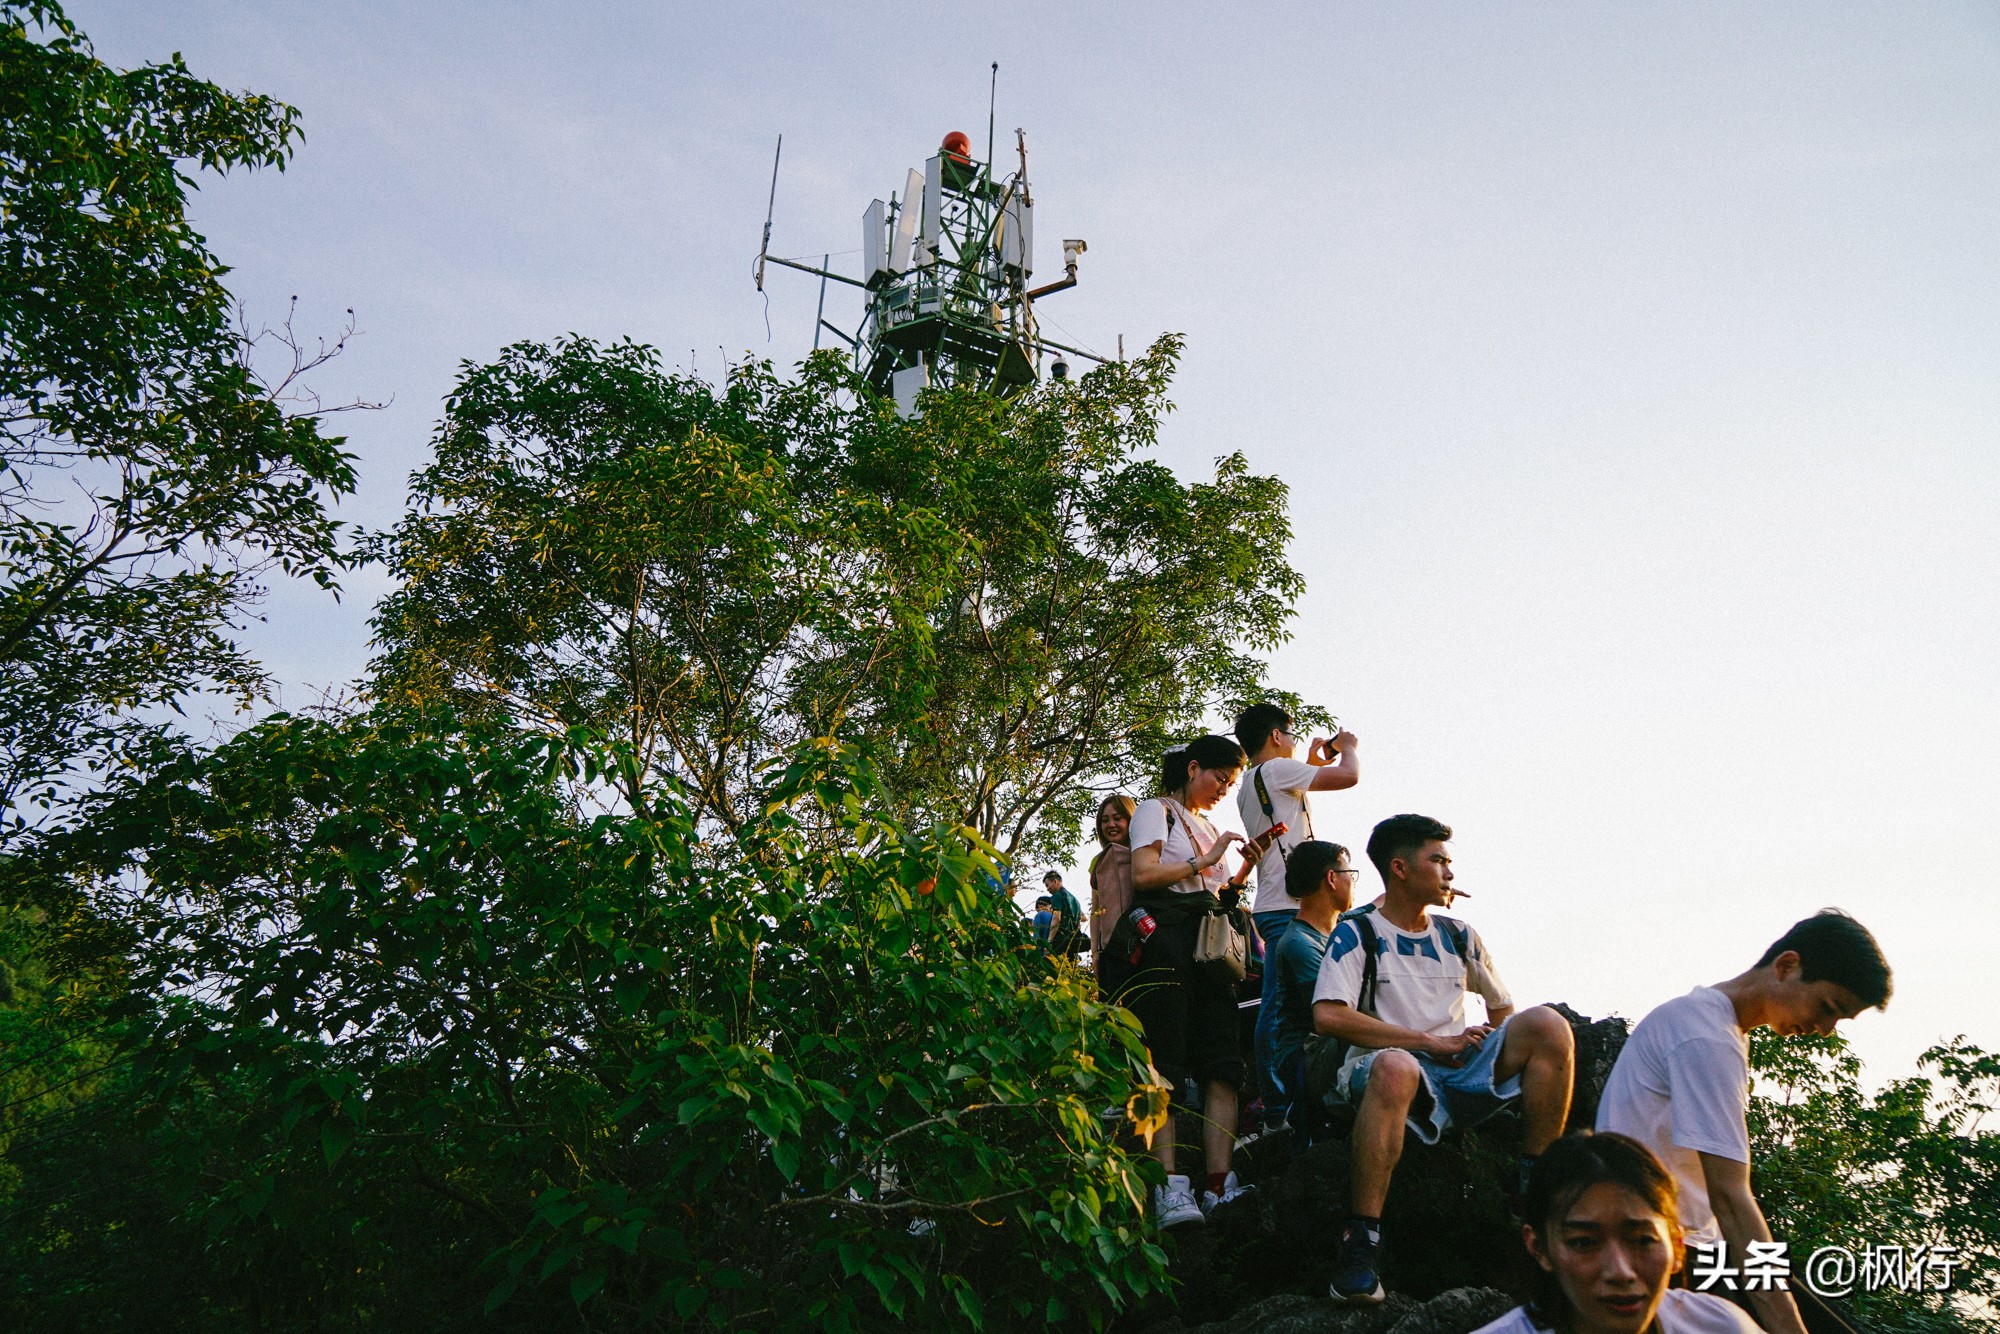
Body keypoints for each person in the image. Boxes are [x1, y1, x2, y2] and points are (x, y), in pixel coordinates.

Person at [1313, 813, 1577, 1305]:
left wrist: (1481, 1041)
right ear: (1400, 868)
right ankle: (1361, 1243)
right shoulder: (1357, 932)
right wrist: (1429, 1043)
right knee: (1397, 1066)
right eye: (1438, 860)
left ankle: (1536, 1192)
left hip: (1455, 1069)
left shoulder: (1458, 934)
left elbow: (1501, 1008)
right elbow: (1328, 1016)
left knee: (1548, 1025)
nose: (1449, 872)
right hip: (1384, 1069)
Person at [1596, 910, 1890, 1334]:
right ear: (1787, 966)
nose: (1826, 1029)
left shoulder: (1710, 1024)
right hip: (1665, 1254)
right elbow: (1731, 1196)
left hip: (1693, 1247)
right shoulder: (1706, 1037)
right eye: (1829, 1007)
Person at [1124, 734, 1265, 1226]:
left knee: (1222, 1062)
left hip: (1211, 948)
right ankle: (1169, 1187)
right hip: (1170, 942)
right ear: (1193, 768)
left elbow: (1217, 891)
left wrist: (1244, 866)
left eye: (1231, 783)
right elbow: (1144, 874)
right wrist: (1206, 859)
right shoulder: (1154, 810)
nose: (1224, 789)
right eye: (1219, 778)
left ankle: (1217, 1184)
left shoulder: (1207, 825)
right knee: (1162, 1058)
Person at [1471, 1130, 1758, 1334]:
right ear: (1539, 1248)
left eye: (1643, 1240)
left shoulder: (1720, 1326)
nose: (1620, 1272)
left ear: (1677, 1246)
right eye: (1584, 1243)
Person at [1232, 703, 1361, 1100]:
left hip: (1271, 901)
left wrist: (1309, 761)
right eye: (1290, 735)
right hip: (1292, 904)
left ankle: (1278, 1096)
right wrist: (1350, 746)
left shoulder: (1251, 783)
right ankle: (1277, 1100)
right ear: (1275, 736)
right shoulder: (1277, 771)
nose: (1293, 742)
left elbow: (1292, 798)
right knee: (1281, 1006)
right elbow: (1348, 777)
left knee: (1279, 1003)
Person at [1262, 839, 1358, 1143]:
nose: (1352, 882)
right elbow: (1332, 1017)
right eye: (1349, 874)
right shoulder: (1299, 944)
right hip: (1306, 1056)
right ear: (1331, 879)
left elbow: (1379, 906)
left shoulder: (1340, 927)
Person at [1087, 795, 1138, 992]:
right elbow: (1096, 910)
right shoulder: (1099, 861)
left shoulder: (1144, 854)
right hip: (1112, 949)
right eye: (1105, 820)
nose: (1111, 825)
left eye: (1118, 818)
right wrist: (1095, 952)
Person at [1043, 870, 1084, 958]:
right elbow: (1080, 921)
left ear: (1055, 881)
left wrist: (1049, 941)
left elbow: (1056, 918)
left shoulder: (1057, 896)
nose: (1047, 889)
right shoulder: (1075, 900)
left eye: (1047, 885)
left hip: (1061, 939)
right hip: (1072, 940)